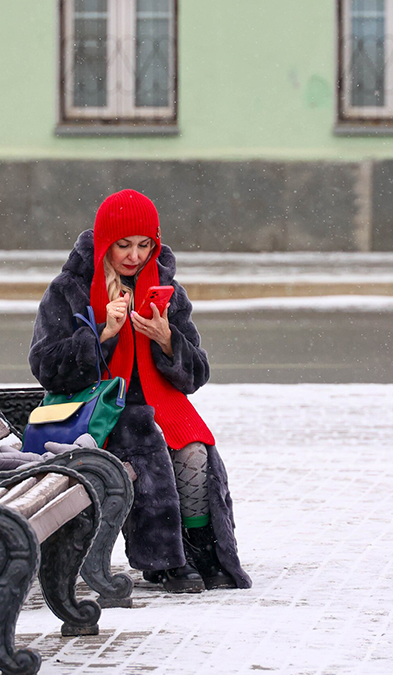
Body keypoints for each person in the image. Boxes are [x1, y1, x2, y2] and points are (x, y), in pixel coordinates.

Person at [29, 189, 251, 593]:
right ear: (103, 244)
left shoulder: (166, 290)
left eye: (145, 245)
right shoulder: (70, 289)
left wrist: (168, 342)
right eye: (123, 245)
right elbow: (45, 366)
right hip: (101, 411)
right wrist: (99, 336)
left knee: (193, 448)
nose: (135, 256)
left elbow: (196, 374)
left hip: (160, 401)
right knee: (148, 449)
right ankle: (164, 559)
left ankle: (200, 548)